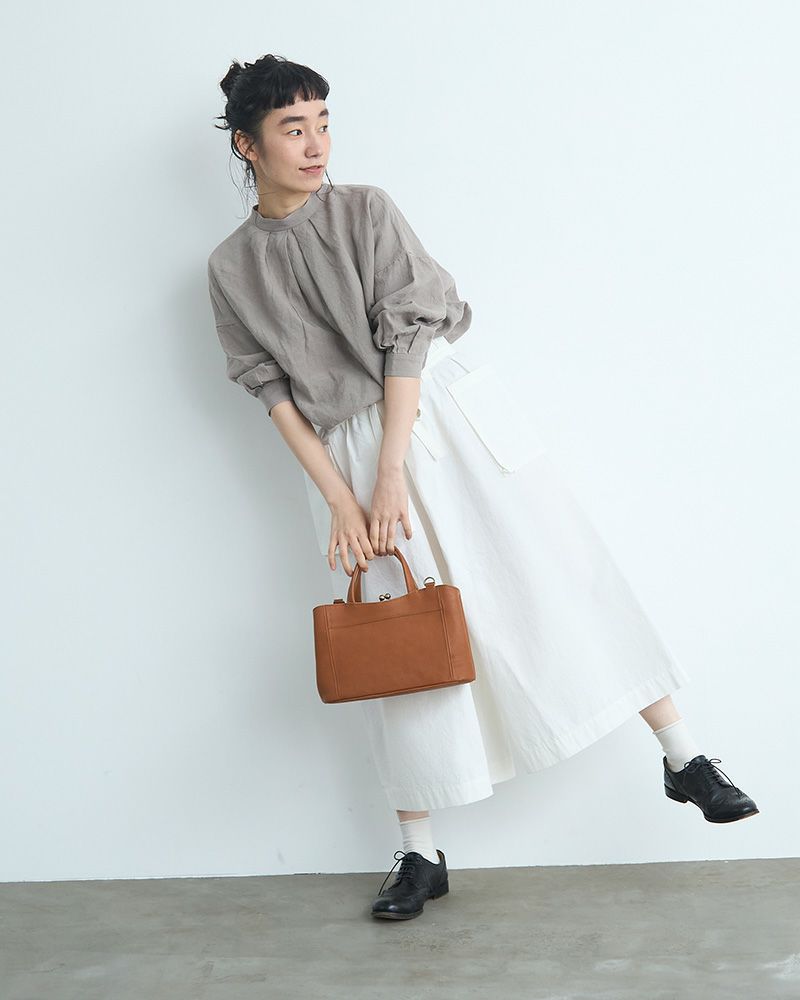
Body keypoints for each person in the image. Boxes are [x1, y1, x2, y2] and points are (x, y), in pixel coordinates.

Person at [206, 53, 759, 921]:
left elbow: (410, 332)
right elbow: (270, 390)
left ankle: (684, 757)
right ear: (248, 145)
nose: (315, 145)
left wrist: (391, 469)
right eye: (292, 128)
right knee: (398, 643)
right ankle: (419, 852)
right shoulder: (231, 266)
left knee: (554, 569)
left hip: (436, 414)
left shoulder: (365, 209)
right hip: (346, 452)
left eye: (323, 122)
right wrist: (346, 497)